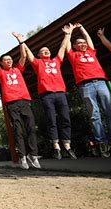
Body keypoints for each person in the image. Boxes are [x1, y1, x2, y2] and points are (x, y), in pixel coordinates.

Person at [65, 23, 111, 157]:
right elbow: (67, 44)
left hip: (101, 82)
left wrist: (81, 28)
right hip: (85, 85)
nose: (83, 44)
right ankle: (102, 143)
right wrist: (70, 32)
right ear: (75, 46)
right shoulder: (73, 55)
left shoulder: (91, 51)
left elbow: (88, 38)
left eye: (84, 43)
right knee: (94, 114)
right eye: (79, 43)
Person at [22, 25, 77, 160]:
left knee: (65, 118)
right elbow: (29, 55)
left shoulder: (56, 61)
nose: (45, 51)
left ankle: (67, 145)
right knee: (51, 119)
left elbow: (63, 48)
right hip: (47, 95)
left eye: (47, 50)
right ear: (39, 55)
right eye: (42, 51)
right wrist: (22, 42)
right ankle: (56, 146)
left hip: (60, 93)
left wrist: (68, 34)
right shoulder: (38, 63)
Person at [0, 34, 40, 170]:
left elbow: (23, 57)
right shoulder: (1, 73)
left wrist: (21, 41)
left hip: (24, 101)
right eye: (6, 60)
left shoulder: (18, 69)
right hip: (11, 103)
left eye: (10, 59)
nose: (9, 61)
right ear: (2, 63)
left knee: (30, 127)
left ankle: (33, 155)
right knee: (18, 130)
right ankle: (22, 156)